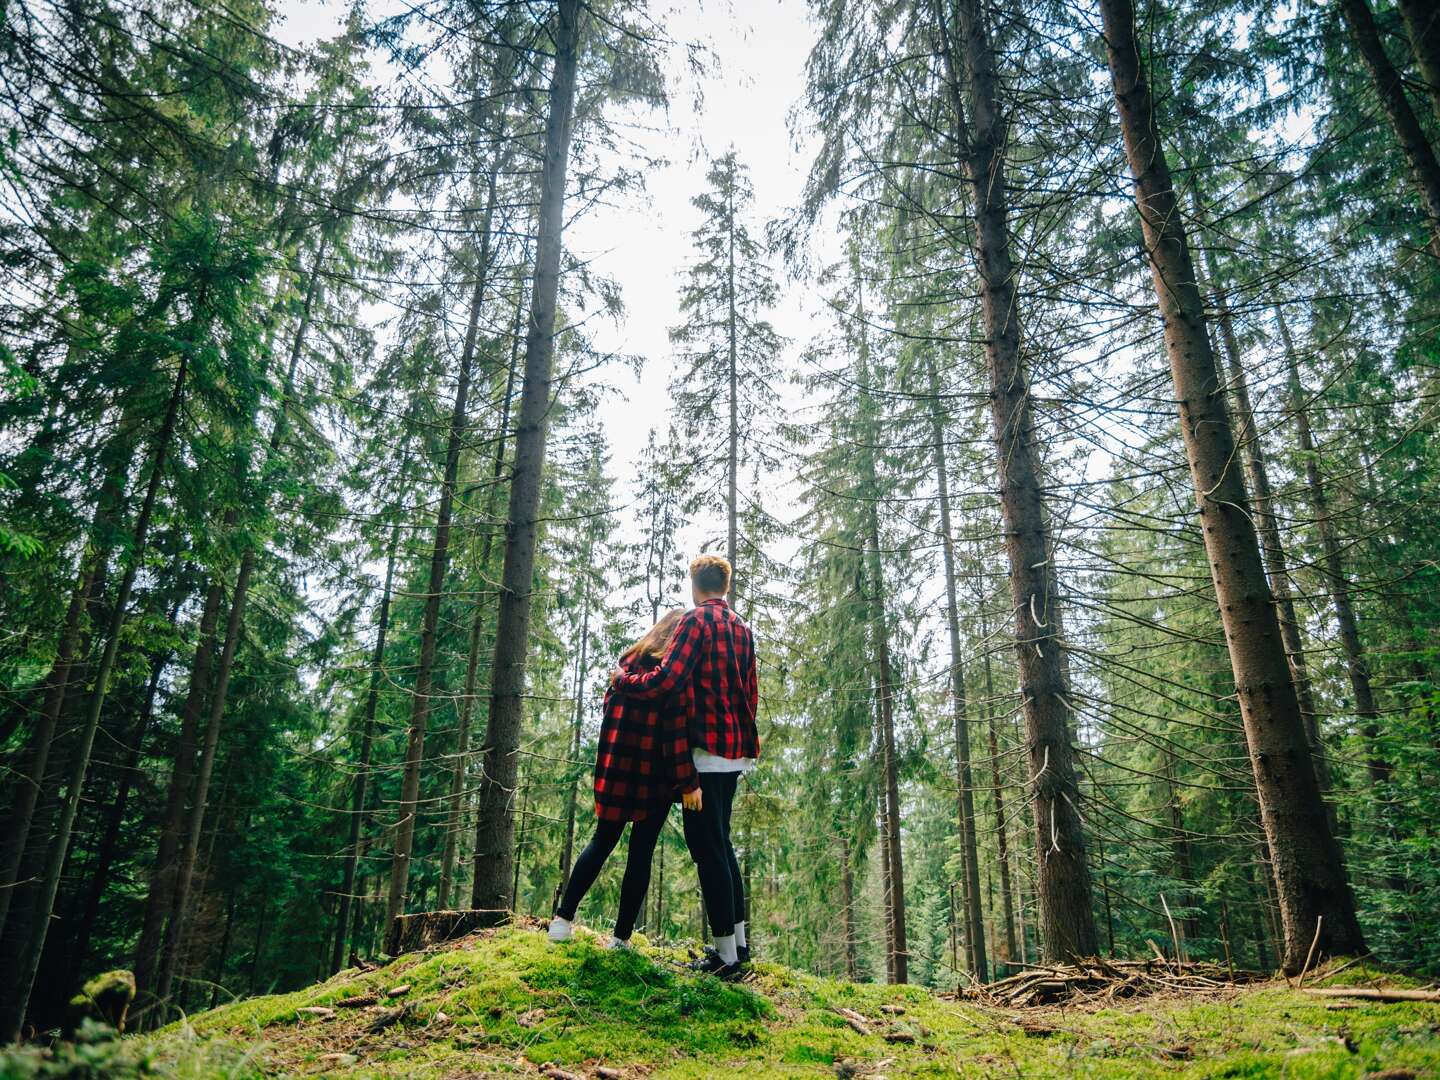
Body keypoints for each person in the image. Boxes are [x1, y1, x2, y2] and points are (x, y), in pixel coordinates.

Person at [610, 554, 759, 980]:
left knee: (708, 849)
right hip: (732, 751)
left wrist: (625, 681)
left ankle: (726, 958)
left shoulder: (696, 623)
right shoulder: (742, 629)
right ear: (725, 587)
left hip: (705, 753)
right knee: (722, 843)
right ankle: (740, 945)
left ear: (695, 585)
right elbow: (750, 691)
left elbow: (668, 679)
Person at [548, 609, 698, 948]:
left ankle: (561, 920)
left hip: (615, 769)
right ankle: (620, 939)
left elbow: (607, 717)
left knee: (601, 841)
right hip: (654, 776)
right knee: (640, 852)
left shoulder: (624, 669)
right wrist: (688, 780)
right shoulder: (669, 681)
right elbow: (675, 735)